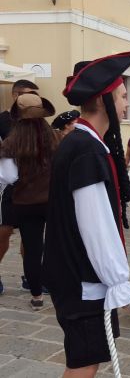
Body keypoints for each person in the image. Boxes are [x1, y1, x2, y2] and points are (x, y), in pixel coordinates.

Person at [42, 51, 130, 377]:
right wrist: (120, 284)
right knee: (83, 363)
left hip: (77, 276)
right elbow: (96, 227)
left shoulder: (81, 144)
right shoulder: (86, 149)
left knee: (87, 360)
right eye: (123, 95)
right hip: (83, 281)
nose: (127, 104)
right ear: (105, 99)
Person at [0, 93, 58, 310]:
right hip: (52, 200)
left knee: (33, 249)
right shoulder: (54, 137)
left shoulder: (11, 142)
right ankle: (56, 284)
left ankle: (36, 295)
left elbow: (8, 177)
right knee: (55, 245)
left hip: (25, 203)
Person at [0, 79, 39, 294]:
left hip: (33, 187)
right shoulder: (2, 121)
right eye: (29, 94)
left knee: (30, 236)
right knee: (4, 232)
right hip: (8, 187)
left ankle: (30, 276)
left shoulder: (35, 122)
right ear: (16, 96)